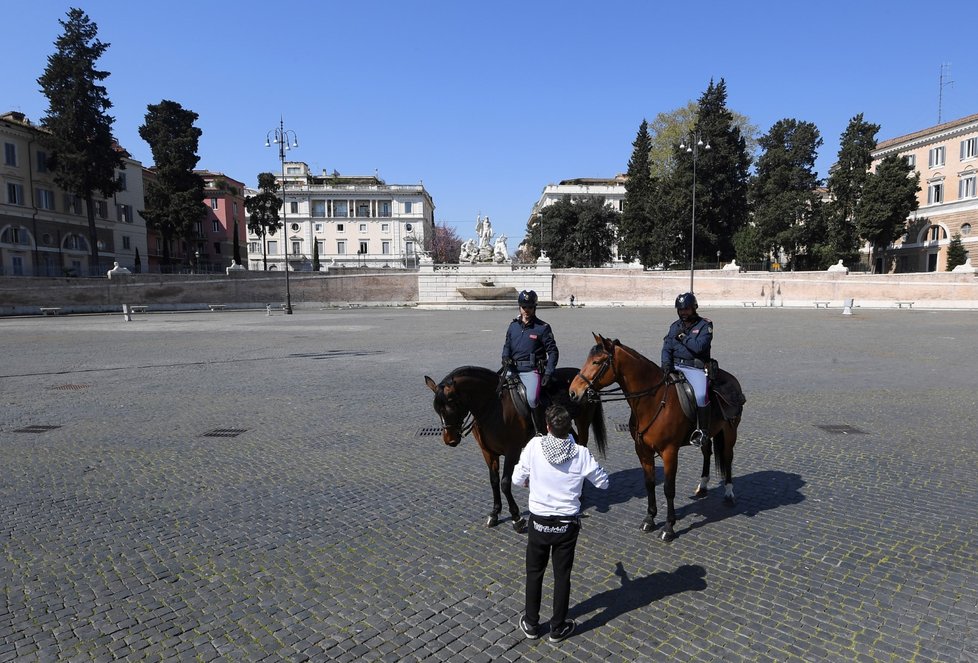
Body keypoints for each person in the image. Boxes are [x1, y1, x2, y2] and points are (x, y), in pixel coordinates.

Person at [513, 404, 609, 643]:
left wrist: (529, 481)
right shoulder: (581, 453)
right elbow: (604, 483)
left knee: (534, 573)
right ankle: (557, 627)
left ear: (547, 427)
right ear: (570, 428)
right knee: (562, 575)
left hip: (539, 524)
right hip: (566, 526)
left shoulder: (535, 446)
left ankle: (532, 624)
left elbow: (517, 479)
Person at [661, 291, 714, 448]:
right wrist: (665, 365)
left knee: (701, 395)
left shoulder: (705, 325)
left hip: (694, 368)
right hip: (675, 365)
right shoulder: (674, 326)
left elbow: (699, 348)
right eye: (681, 310)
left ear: (694, 308)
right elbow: (667, 347)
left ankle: (703, 432)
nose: (683, 313)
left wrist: (683, 337)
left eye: (687, 309)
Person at [502, 290, 558, 433]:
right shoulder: (513, 326)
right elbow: (507, 345)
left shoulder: (542, 328)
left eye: (530, 307)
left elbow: (553, 352)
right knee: (497, 394)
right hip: (512, 369)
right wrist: (505, 357)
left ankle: (538, 430)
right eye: (524, 307)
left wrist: (548, 373)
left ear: (535, 308)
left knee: (532, 399)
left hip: (530, 371)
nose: (527, 310)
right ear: (519, 307)